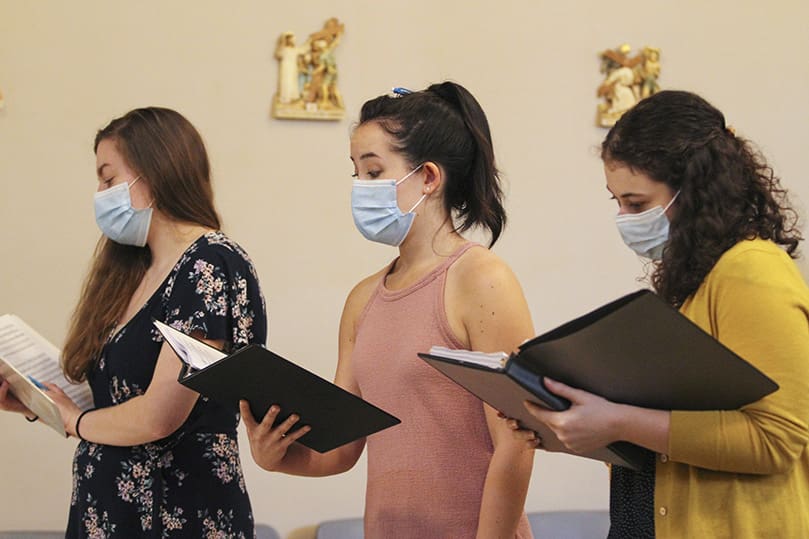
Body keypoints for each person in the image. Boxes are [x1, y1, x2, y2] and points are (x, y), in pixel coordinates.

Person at [240, 82, 536, 538]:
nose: (360, 187)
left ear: (429, 178)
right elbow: (341, 449)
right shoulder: (362, 300)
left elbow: (516, 443)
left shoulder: (482, 279)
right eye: (355, 172)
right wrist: (277, 458)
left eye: (374, 172)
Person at [517, 90, 809, 538]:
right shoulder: (693, 276)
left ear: (694, 190)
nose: (623, 218)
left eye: (636, 204)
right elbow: (676, 431)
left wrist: (616, 421)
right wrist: (573, 427)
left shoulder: (752, 271)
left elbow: (776, 440)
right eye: (616, 201)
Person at [0, 107, 267, 537]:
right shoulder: (136, 269)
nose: (101, 192)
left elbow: (159, 415)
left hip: (176, 511)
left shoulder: (208, 263)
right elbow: (117, 401)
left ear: (152, 173)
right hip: (111, 508)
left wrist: (74, 421)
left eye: (108, 178)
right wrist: (40, 402)